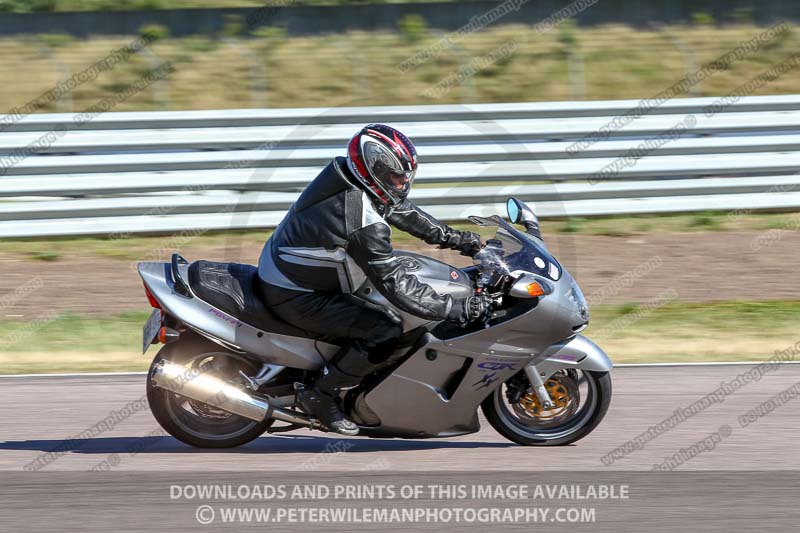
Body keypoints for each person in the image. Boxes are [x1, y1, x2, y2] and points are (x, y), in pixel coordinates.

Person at [257, 124, 490, 435]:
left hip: (299, 272)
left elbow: (405, 213)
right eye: (396, 176)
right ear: (374, 170)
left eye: (406, 175)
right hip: (296, 291)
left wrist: (463, 241)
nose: (403, 182)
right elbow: (393, 282)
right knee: (386, 327)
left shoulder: (353, 179)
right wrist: (455, 309)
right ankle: (321, 394)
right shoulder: (360, 216)